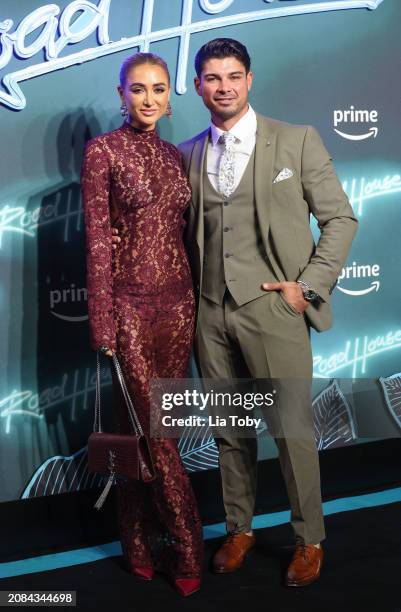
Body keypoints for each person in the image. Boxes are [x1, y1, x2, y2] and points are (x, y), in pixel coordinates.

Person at [112, 39, 358, 587]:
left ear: (250, 81)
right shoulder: (188, 154)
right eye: (211, 78)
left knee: (292, 431)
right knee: (230, 429)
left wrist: (308, 288)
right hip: (208, 314)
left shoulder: (296, 141)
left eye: (233, 76)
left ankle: (309, 539)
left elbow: (340, 220)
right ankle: (240, 527)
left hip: (272, 307)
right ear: (196, 87)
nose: (223, 86)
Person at [81, 52, 203, 597]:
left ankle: (135, 544)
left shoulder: (177, 157)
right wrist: (103, 324)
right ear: (121, 93)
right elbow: (98, 243)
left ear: (170, 95)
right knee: (153, 430)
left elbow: (184, 237)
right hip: (128, 308)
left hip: (179, 307)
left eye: (157, 89)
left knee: (153, 431)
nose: (148, 99)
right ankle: (187, 548)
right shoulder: (101, 152)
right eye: (137, 89)